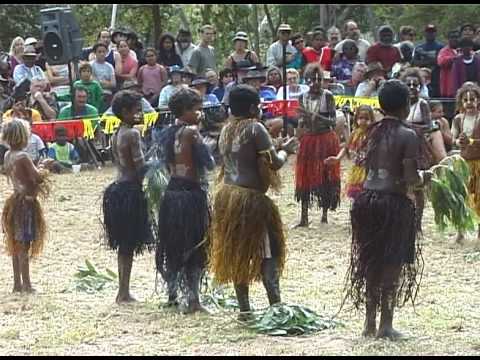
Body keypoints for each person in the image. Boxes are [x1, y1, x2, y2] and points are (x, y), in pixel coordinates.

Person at [345, 79, 428, 340]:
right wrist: (429, 176)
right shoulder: (408, 135)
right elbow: (411, 178)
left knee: (370, 262)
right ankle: (386, 326)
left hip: (367, 200)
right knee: (391, 264)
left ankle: (369, 324)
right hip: (392, 204)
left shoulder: (371, 131)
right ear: (406, 106)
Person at [209, 84, 297, 321]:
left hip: (228, 196)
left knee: (236, 251)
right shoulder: (255, 128)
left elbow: (247, 155)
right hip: (250, 201)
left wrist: (275, 146)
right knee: (267, 252)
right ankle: (276, 308)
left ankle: (244, 310)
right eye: (258, 106)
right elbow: (274, 163)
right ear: (251, 108)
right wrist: (286, 150)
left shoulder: (226, 130)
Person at [154, 87, 215, 313]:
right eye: (197, 110)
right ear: (186, 111)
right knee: (195, 245)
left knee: (173, 245)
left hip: (172, 193)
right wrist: (209, 144)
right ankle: (194, 300)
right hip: (190, 194)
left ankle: (172, 295)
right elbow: (207, 163)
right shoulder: (191, 132)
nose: (200, 113)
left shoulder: (169, 133)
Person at [102, 90, 154, 303]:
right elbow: (140, 165)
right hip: (130, 191)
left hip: (118, 189)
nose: (141, 114)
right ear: (125, 112)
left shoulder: (117, 133)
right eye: (137, 110)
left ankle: (123, 290)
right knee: (128, 243)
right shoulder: (132, 134)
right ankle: (123, 292)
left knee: (124, 245)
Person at [1, 119, 54, 293]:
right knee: (24, 244)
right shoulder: (22, 156)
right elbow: (37, 178)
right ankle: (27, 285)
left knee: (15, 244)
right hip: (26, 203)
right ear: (23, 136)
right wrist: (44, 165)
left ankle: (17, 284)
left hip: (16, 201)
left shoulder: (8, 155)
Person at [294, 63, 340, 227]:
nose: (315, 83)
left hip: (325, 139)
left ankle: (324, 214)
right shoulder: (302, 97)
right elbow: (300, 122)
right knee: (304, 176)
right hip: (308, 139)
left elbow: (333, 122)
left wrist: (315, 116)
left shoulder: (327, 96)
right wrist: (298, 132)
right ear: (306, 81)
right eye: (311, 80)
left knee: (325, 174)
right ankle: (304, 217)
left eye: (318, 79)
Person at [401, 67, 446, 232]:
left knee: (417, 184)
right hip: (401, 146)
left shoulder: (423, 104)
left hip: (418, 147)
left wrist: (411, 127)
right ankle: (405, 218)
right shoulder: (400, 104)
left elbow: (428, 126)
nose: (412, 88)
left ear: (420, 87)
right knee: (402, 184)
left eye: (416, 85)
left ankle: (418, 221)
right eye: (409, 84)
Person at [325, 105, 375, 200]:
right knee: (358, 195)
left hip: (371, 170)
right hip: (358, 169)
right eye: (361, 118)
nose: (363, 121)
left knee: (370, 195)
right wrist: (337, 158)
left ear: (372, 120)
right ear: (356, 119)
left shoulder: (374, 134)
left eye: (367, 118)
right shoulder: (354, 133)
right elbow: (346, 148)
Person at [451, 83, 480, 244]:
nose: (469, 103)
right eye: (465, 100)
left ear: (478, 101)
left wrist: (473, 141)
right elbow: (453, 139)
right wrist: (459, 142)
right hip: (462, 163)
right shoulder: (457, 119)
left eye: (472, 99)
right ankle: (460, 230)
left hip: (478, 163)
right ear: (461, 102)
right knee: (460, 197)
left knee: (479, 197)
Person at [412, 24, 444, 97]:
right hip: (422, 78)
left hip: (437, 78)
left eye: (432, 32)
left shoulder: (441, 47)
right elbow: (415, 63)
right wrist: (430, 60)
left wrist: (425, 60)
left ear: (435, 33)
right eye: (428, 32)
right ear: (425, 33)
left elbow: (439, 62)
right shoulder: (419, 48)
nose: (430, 34)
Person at [90, 42, 117, 111]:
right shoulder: (91, 65)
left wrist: (100, 82)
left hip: (107, 94)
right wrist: (106, 83)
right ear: (95, 53)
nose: (102, 54)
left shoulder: (109, 66)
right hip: (94, 93)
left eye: (103, 52)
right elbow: (92, 81)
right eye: (99, 52)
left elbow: (113, 84)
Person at [438, 30, 460, 98]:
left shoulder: (463, 50)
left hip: (461, 88)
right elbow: (441, 62)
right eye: (452, 37)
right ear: (448, 39)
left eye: (456, 37)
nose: (454, 39)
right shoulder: (444, 51)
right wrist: (455, 58)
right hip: (448, 90)